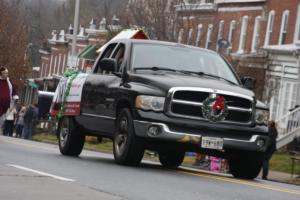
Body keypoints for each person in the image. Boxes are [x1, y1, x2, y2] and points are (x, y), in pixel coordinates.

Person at [0, 66, 18, 134]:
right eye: (4, 73)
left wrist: (15, 97)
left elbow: (13, 90)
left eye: (7, 73)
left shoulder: (9, 82)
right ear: (1, 73)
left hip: (6, 106)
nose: (6, 74)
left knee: (1, 120)